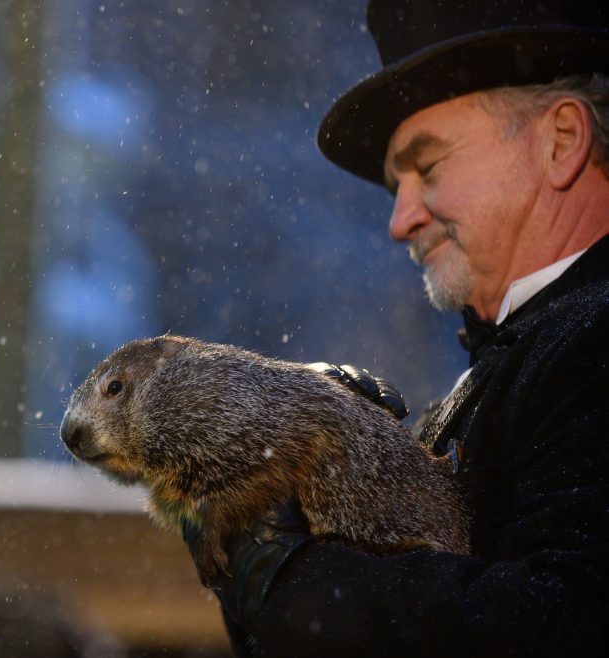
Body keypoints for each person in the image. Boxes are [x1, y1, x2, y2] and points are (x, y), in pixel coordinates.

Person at [183, 1, 609, 656]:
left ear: (560, 142)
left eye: (429, 167)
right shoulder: (515, 356)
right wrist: (302, 501)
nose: (400, 219)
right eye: (394, 187)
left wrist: (298, 579)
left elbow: (558, 620)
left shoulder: (592, 341)